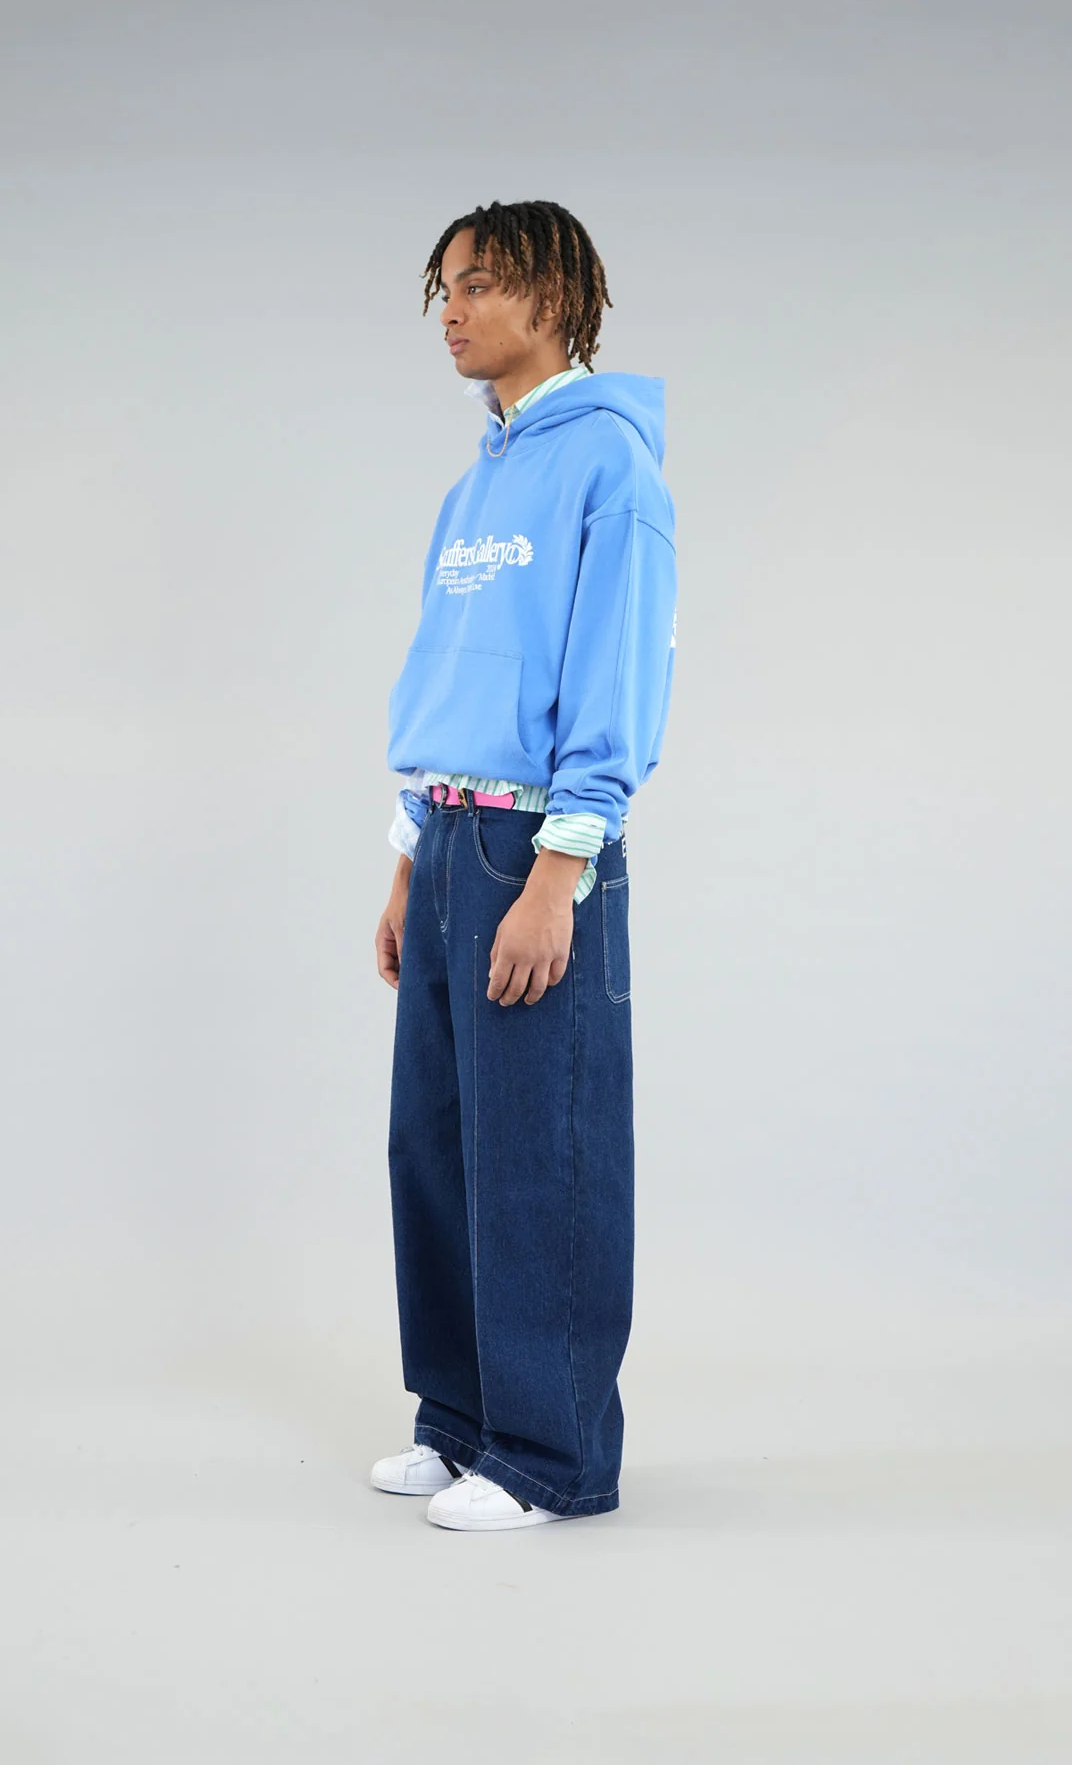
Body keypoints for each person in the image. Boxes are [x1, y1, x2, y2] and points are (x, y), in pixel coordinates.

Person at [371, 199, 677, 1532]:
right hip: (449, 835)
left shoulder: (612, 465)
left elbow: (618, 667)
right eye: (443, 287)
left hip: (535, 843)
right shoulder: (474, 486)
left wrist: (562, 869)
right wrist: (406, 857)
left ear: (556, 299)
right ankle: (458, 1422)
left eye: (482, 284)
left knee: (539, 1147)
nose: (453, 309)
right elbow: (446, 672)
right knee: (436, 1142)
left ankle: (551, 1456)